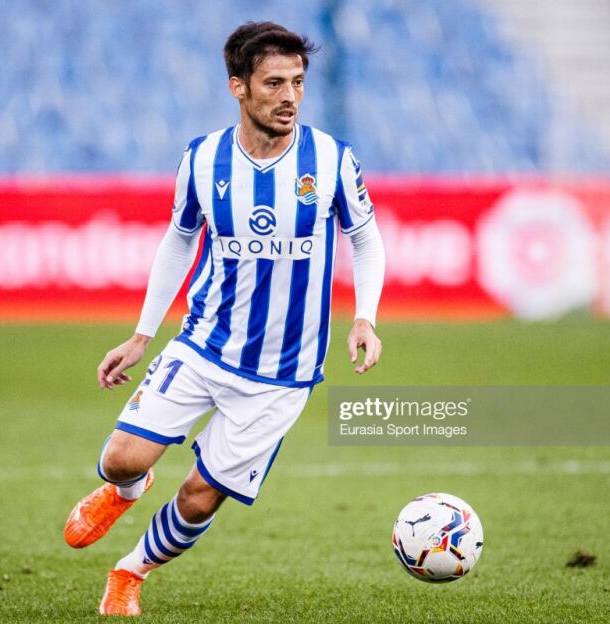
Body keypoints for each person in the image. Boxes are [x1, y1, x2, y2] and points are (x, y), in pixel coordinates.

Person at [63, 21, 386, 616]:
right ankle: (126, 490)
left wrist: (364, 318)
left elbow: (365, 240)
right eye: (273, 83)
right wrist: (142, 335)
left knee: (199, 496)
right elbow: (179, 239)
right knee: (119, 459)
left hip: (282, 376)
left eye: (298, 82)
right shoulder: (203, 157)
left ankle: (129, 573)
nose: (289, 96)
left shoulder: (332, 160)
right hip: (204, 345)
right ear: (238, 87)